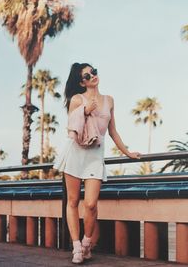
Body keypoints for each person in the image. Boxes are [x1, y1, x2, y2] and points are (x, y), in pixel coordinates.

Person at [57, 62, 141, 264]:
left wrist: (127, 152)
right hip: (75, 153)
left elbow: (112, 131)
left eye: (93, 72)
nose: (92, 76)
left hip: (95, 156)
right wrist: (84, 110)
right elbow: (71, 126)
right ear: (81, 82)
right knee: (73, 201)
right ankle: (77, 247)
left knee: (91, 204)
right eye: (87, 76)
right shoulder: (77, 99)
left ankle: (87, 243)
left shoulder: (109, 100)